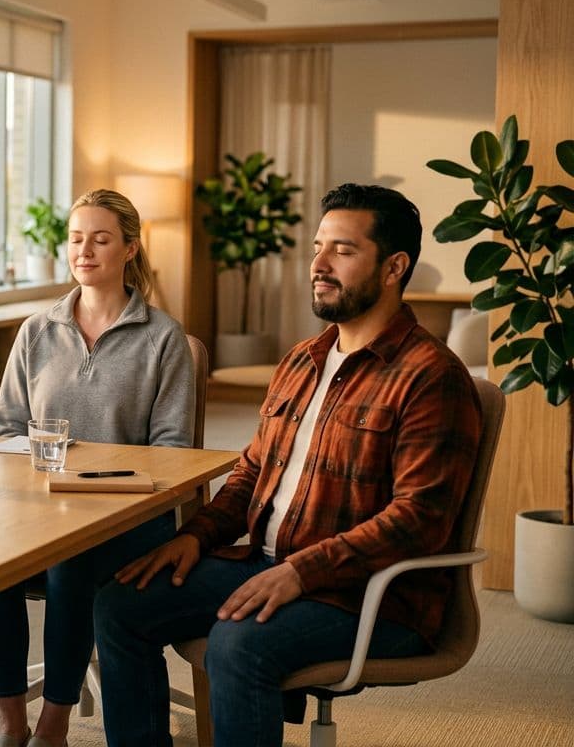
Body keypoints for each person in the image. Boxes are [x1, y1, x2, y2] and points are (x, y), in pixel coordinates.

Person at [93, 184, 483, 747]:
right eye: (318, 247)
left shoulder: (431, 376)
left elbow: (419, 520)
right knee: (119, 605)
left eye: (343, 250)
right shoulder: (304, 359)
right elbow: (253, 471)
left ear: (394, 267)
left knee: (237, 643)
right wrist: (197, 537)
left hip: (369, 596)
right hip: (266, 562)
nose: (319, 265)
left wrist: (301, 571)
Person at [0, 188, 196, 747]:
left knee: (68, 562)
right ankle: (10, 720)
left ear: (129, 248)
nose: (85, 251)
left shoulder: (163, 337)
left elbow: (172, 452)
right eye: (76, 239)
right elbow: (7, 429)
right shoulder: (36, 331)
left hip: (128, 519)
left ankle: (53, 725)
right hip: (39, 509)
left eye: (100, 239)